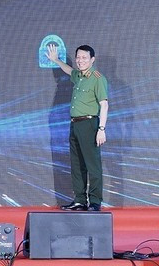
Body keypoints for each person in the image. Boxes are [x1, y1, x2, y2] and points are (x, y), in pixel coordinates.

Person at [46, 44, 109, 211]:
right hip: (75, 124)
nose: (80, 61)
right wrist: (56, 60)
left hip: (89, 124)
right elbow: (69, 71)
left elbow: (104, 104)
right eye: (78, 58)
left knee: (92, 164)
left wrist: (101, 129)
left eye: (84, 58)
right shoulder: (79, 76)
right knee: (77, 164)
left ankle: (95, 202)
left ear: (92, 60)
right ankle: (80, 199)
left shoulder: (97, 78)